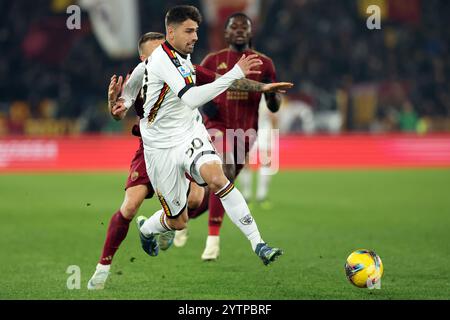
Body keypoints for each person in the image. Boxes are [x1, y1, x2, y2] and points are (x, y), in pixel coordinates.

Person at [135, 5, 284, 267]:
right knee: (178, 221)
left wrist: (263, 87)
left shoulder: (184, 59)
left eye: (197, 31)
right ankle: (147, 229)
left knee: (218, 178)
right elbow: (192, 97)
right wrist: (235, 73)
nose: (195, 37)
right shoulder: (160, 59)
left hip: (190, 133)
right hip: (160, 148)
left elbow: (217, 78)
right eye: (189, 31)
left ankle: (258, 243)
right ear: (171, 31)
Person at [176, 12, 284, 261]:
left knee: (220, 186)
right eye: (233, 27)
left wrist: (272, 95)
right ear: (225, 33)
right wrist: (206, 108)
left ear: (250, 32)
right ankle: (213, 240)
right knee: (222, 175)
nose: (238, 30)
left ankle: (181, 217)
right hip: (216, 128)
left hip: (245, 134)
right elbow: (194, 89)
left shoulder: (264, 63)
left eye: (243, 27)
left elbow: (274, 106)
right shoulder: (214, 60)